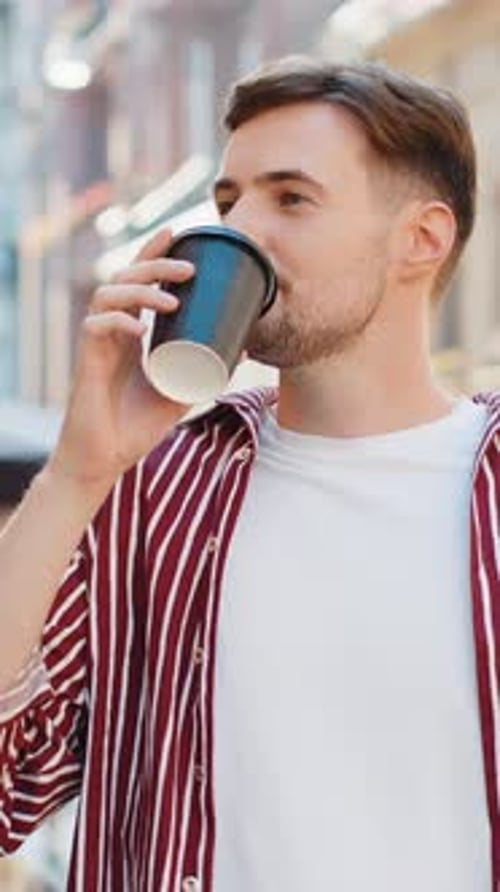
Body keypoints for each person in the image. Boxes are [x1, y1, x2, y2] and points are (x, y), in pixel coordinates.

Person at [0, 55, 499, 892]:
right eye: (229, 202)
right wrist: (77, 476)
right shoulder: (156, 493)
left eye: (290, 198)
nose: (240, 231)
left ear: (422, 239)